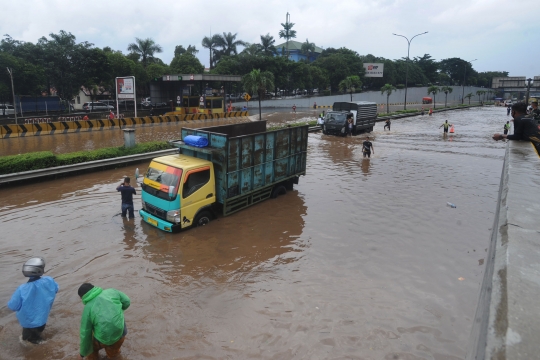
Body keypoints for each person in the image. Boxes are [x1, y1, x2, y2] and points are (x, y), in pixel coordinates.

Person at [8, 257, 59, 344]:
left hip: (29, 323)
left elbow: (13, 306)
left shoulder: (22, 289)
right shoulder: (49, 280)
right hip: (42, 320)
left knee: (26, 342)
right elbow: (56, 289)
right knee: (37, 336)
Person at [78, 283, 130, 360]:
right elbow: (127, 301)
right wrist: (118, 310)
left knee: (90, 350)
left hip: (103, 339)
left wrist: (82, 354)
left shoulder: (88, 308)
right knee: (114, 355)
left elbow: (85, 333)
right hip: (121, 332)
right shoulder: (112, 291)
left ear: (82, 297)